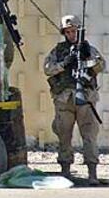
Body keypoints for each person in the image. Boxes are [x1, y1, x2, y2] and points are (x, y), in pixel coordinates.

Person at [44, 14, 106, 185]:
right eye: (68, 32)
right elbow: (47, 69)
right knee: (64, 135)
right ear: (64, 33)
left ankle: (92, 173)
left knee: (89, 136)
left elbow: (102, 65)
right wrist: (65, 63)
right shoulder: (58, 51)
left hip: (85, 99)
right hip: (64, 100)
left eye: (74, 31)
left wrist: (88, 60)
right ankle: (65, 171)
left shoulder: (89, 49)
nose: (71, 34)